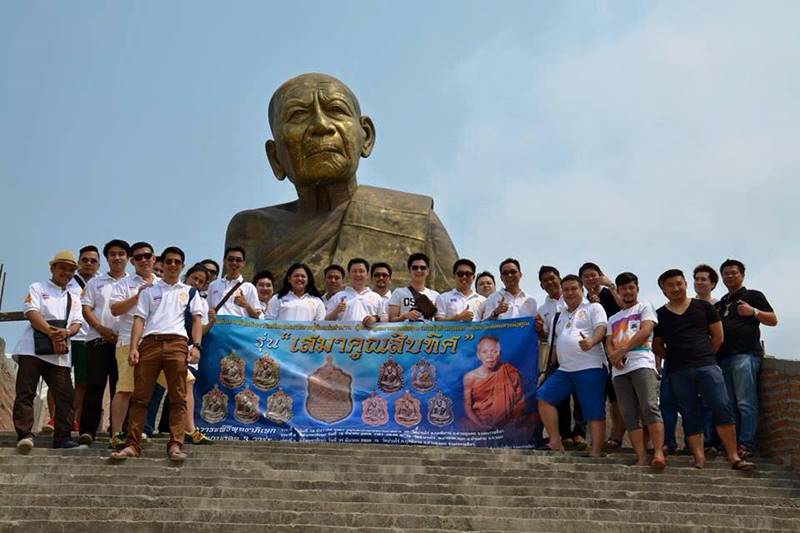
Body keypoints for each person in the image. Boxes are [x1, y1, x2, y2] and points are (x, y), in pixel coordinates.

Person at [224, 72, 458, 291]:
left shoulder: (413, 217)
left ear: (365, 137)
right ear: (275, 157)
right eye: (298, 115)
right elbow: (232, 319)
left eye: (335, 109)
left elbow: (462, 310)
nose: (321, 126)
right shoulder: (253, 230)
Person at [652, 269, 753, 470]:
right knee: (690, 413)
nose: (675, 288)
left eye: (678, 283)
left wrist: (706, 355)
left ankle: (733, 456)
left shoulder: (703, 307)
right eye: (670, 285)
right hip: (679, 371)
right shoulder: (661, 315)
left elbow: (718, 337)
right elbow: (657, 345)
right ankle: (699, 457)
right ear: (664, 290)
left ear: (685, 284)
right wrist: (673, 357)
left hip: (707, 366)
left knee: (721, 406)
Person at [111, 246, 204, 462]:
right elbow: (139, 319)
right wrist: (134, 347)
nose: (173, 265)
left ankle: (176, 444)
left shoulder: (190, 292)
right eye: (169, 261)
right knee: (140, 396)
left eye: (177, 262)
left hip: (177, 343)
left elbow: (197, 320)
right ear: (162, 264)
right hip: (150, 343)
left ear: (182, 266)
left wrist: (197, 345)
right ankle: (132, 444)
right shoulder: (149, 290)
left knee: (178, 396)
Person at [13, 250, 85, 452]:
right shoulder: (37, 287)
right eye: (62, 267)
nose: (67, 272)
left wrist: (65, 333)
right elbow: (31, 312)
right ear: (53, 268)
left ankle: (62, 438)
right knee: (26, 392)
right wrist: (52, 333)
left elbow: (77, 323)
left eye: (71, 269)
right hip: (32, 348)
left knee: (65, 395)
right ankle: (24, 434)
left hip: (59, 351)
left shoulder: (74, 296)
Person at [536, 275, 608, 457]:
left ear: (581, 290)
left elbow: (601, 328)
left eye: (573, 288)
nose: (569, 292)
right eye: (566, 289)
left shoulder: (594, 308)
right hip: (565, 369)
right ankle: (555, 441)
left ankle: (596, 450)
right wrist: (545, 370)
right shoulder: (557, 317)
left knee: (593, 409)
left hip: (590, 366)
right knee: (543, 397)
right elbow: (555, 344)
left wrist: (591, 341)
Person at [715, 259, 777, 459]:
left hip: (745, 355)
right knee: (729, 404)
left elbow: (773, 319)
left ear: (742, 275)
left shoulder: (752, 295)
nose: (730, 276)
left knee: (745, 402)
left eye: (734, 272)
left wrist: (754, 312)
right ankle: (731, 446)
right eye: (726, 273)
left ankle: (746, 444)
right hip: (723, 358)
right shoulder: (722, 302)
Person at [605, 272, 666, 468]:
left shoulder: (645, 307)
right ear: (619, 291)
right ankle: (641, 456)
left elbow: (645, 331)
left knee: (649, 407)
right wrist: (614, 357)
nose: (628, 291)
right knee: (629, 414)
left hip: (642, 363)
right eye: (624, 288)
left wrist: (622, 350)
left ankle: (658, 453)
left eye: (631, 287)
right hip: (619, 371)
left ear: (637, 289)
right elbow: (608, 342)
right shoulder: (613, 318)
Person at [77, 240, 129, 445]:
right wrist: (101, 329)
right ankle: (88, 430)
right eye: (113, 254)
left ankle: (117, 430)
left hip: (124, 342)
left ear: (128, 258)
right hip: (97, 339)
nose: (117, 257)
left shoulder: (134, 282)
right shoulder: (95, 283)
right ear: (107, 259)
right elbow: (86, 309)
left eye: (121, 254)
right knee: (94, 386)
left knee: (121, 387)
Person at [108, 241, 158, 449]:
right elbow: (115, 310)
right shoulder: (123, 284)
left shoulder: (163, 283)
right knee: (125, 390)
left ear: (154, 259)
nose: (144, 260)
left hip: (156, 343)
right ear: (132, 261)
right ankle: (117, 433)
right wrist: (137, 296)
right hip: (128, 341)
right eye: (138, 257)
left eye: (147, 256)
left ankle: (182, 432)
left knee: (182, 383)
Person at [535, 266, 585, 450]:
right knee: (558, 397)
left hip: (581, 355)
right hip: (556, 356)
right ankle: (565, 434)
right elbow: (545, 337)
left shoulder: (574, 298)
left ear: (559, 278)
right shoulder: (543, 308)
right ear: (541, 285)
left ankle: (580, 432)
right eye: (545, 280)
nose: (549, 282)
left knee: (580, 396)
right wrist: (540, 330)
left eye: (552, 278)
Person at [579, 261, 625, 450]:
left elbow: (624, 307)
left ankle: (616, 435)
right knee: (597, 396)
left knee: (616, 396)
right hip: (591, 355)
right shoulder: (582, 300)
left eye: (594, 274)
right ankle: (597, 438)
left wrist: (611, 285)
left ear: (600, 275)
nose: (590, 279)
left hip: (613, 350)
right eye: (586, 276)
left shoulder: (609, 293)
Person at [65, 244, 100, 431]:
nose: (88, 263)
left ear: (98, 265)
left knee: (82, 382)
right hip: (66, 336)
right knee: (60, 379)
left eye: (93, 261)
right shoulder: (66, 281)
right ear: (78, 262)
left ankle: (74, 418)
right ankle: (56, 418)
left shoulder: (102, 284)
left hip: (88, 338)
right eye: (85, 260)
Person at [463, 335, 525, 429]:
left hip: (508, 425)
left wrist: (511, 424)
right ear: (478, 355)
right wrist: (481, 426)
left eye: (494, 351)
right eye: (484, 352)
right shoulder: (470, 378)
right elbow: (468, 407)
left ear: (500, 353)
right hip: (479, 423)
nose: (489, 356)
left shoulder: (510, 373)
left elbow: (520, 402)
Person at [206, 246, 261, 319]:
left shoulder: (249, 287)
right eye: (231, 259)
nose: (234, 263)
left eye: (238, 260)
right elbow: (206, 310)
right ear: (224, 261)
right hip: (216, 327)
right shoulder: (213, 285)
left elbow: (257, 316)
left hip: (239, 328)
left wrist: (246, 305)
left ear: (243, 263)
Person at [388, 253, 440, 322]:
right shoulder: (398, 292)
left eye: (422, 268)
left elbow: (439, 322)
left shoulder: (436, 295)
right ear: (409, 270)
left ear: (427, 271)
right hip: (404, 332)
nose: (419, 270)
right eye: (415, 268)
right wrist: (404, 316)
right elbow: (391, 320)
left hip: (427, 332)